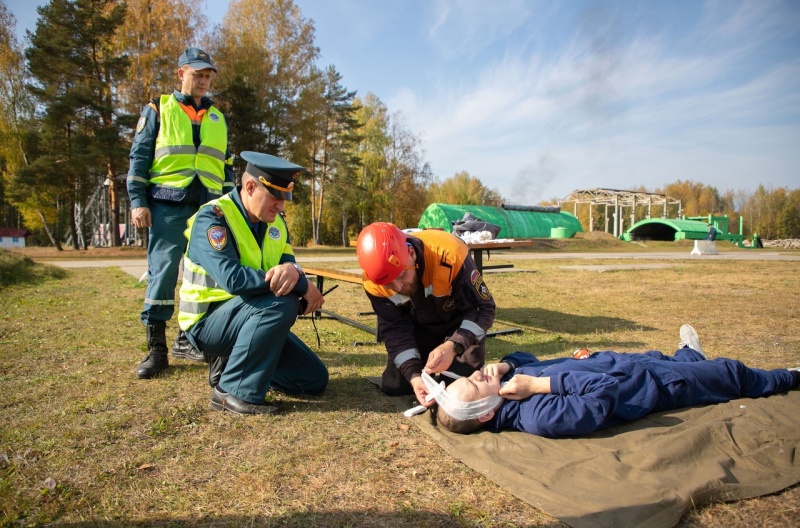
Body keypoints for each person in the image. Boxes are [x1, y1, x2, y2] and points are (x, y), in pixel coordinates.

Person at [435, 324, 800, 436]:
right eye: (476, 383)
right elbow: (603, 394)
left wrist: (504, 366)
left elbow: (532, 361)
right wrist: (538, 385)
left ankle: (690, 354)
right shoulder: (537, 415)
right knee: (730, 374)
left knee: (670, 357)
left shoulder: (505, 385)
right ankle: (789, 377)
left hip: (627, 362)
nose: (476, 373)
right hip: (653, 384)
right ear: (485, 414)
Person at [177, 151, 328, 415]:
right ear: (250, 187)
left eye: (285, 198)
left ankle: (234, 364)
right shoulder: (213, 218)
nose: (282, 206)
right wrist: (303, 286)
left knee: (313, 380)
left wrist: (295, 273)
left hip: (251, 315)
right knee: (282, 303)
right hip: (207, 321)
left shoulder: (276, 225)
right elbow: (233, 278)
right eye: (276, 197)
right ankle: (231, 391)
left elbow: (289, 266)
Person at [127, 47, 235, 379]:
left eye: (207, 76)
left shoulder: (218, 117)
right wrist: (137, 201)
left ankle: (188, 339)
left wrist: (233, 210)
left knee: (205, 277)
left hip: (208, 209)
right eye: (197, 74)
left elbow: (227, 168)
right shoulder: (158, 109)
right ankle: (156, 351)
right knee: (162, 274)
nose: (203, 81)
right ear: (181, 74)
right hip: (167, 206)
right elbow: (139, 156)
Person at [356, 222, 496, 408]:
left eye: (400, 276)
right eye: (388, 284)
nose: (398, 288)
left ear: (412, 254)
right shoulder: (373, 283)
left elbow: (482, 308)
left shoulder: (450, 253)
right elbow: (394, 330)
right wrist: (414, 376)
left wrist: (453, 346)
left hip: (460, 327)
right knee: (395, 387)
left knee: (458, 392)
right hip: (419, 328)